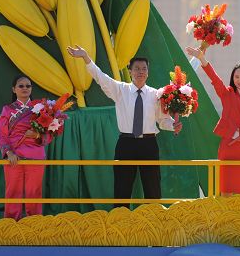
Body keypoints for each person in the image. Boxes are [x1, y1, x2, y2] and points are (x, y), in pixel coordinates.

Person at [66, 45, 181, 206]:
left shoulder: (156, 94)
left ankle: (154, 224)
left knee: (152, 187)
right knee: (122, 187)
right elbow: (101, 77)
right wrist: (86, 58)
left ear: (148, 72)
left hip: (148, 144)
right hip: (126, 143)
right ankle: (120, 223)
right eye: (137, 69)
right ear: (130, 71)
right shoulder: (121, 90)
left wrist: (173, 126)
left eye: (144, 69)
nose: (140, 72)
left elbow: (163, 121)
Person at [186, 46, 240, 195]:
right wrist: (201, 58)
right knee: (225, 193)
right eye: (236, 77)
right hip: (228, 148)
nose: (239, 80)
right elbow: (215, 79)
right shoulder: (228, 94)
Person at [0, 75, 53, 220]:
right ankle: (10, 227)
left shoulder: (40, 109)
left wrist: (36, 136)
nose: (25, 88)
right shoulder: (7, 110)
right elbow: (2, 134)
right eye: (21, 86)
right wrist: (8, 152)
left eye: (28, 86)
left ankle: (33, 226)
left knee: (34, 192)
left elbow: (49, 134)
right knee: (12, 192)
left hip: (35, 157)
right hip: (13, 156)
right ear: (14, 89)